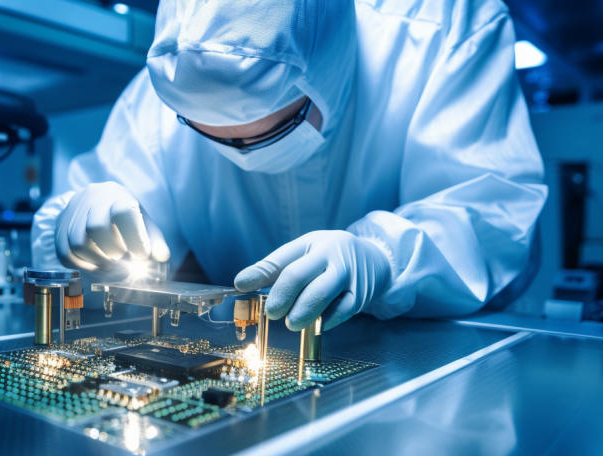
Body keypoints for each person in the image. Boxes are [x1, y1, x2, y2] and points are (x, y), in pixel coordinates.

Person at [31, 0, 547, 332]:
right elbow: (107, 205)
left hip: (416, 363)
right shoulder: (175, 74)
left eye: (274, 130)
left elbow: (492, 213)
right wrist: (75, 228)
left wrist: (384, 258)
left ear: (331, 72)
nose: (244, 155)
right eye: (210, 135)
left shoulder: (446, 28)